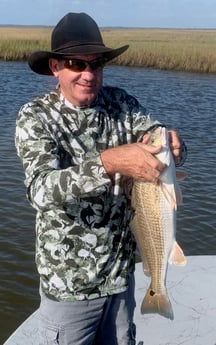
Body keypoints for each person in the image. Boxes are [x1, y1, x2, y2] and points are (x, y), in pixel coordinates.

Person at [15, 12, 187, 345]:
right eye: (75, 64)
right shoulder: (35, 117)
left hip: (121, 278)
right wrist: (108, 163)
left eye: (95, 64)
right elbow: (40, 189)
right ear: (55, 68)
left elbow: (156, 134)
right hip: (69, 288)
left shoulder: (121, 103)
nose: (88, 74)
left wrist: (175, 145)